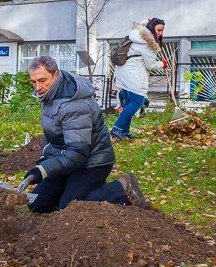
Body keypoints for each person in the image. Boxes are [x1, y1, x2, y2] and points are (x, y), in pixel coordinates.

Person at [23, 56, 152, 213]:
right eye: (34, 82)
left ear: (56, 74)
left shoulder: (74, 105)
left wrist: (44, 170)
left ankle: (122, 188)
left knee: (70, 207)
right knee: (38, 204)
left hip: (91, 162)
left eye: (42, 80)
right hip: (68, 160)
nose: (38, 87)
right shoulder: (51, 94)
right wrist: (45, 161)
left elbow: (77, 152)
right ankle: (74, 191)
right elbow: (53, 136)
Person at [111, 18, 168, 140]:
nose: (160, 33)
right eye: (158, 30)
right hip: (133, 76)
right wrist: (163, 64)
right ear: (152, 29)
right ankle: (117, 129)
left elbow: (140, 27)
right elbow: (151, 65)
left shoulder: (137, 35)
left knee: (129, 103)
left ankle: (124, 132)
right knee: (137, 102)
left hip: (122, 73)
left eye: (162, 30)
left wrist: (144, 21)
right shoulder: (148, 44)